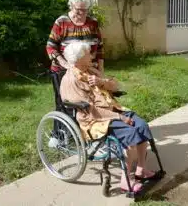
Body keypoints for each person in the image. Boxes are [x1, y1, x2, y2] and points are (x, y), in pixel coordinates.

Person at [60, 41, 156, 193]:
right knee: (131, 133)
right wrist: (119, 117)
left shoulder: (91, 70)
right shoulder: (70, 80)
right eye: (87, 53)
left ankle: (141, 169)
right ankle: (127, 179)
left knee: (142, 126)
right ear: (78, 59)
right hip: (95, 119)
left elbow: (115, 86)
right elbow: (91, 111)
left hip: (113, 109)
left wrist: (102, 82)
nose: (91, 55)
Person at [46, 0, 104, 75]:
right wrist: (64, 64)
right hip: (64, 71)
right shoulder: (62, 22)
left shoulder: (93, 23)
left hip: (90, 72)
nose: (81, 13)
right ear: (72, 6)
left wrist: (101, 70)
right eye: (78, 9)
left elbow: (100, 48)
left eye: (85, 10)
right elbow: (50, 47)